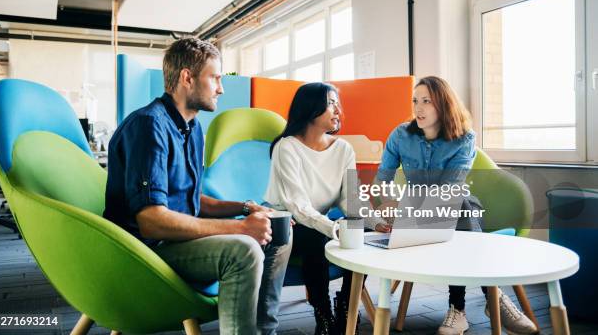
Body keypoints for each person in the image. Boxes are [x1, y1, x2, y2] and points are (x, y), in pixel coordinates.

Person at [104, 37, 292, 335]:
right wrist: (241, 228)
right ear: (187, 78)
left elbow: (190, 200)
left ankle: (261, 331)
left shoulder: (192, 128)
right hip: (144, 253)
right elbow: (152, 221)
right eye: (215, 78)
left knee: (277, 231)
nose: (221, 88)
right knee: (243, 250)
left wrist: (246, 208)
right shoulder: (149, 126)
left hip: (176, 242)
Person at [375, 76, 537, 335]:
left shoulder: (464, 138)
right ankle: (494, 297)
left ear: (444, 104)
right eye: (415, 100)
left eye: (427, 101)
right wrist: (389, 203)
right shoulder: (400, 135)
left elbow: (449, 189)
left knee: (460, 205)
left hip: (452, 206)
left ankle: (458, 310)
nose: (418, 108)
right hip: (416, 211)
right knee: (461, 209)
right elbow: (382, 178)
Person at [264, 82, 389, 335]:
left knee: (362, 230)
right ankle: (323, 314)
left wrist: (375, 222)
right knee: (316, 236)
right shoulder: (286, 147)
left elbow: (351, 200)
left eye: (337, 103)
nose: (338, 110)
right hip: (285, 223)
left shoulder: (343, 149)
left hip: (319, 221)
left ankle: (345, 302)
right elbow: (298, 207)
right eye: (331, 103)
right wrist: (333, 228)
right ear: (311, 108)